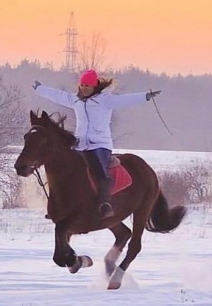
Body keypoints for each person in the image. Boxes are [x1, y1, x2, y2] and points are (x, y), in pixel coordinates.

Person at [32, 69, 161, 218]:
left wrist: (145, 96)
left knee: (98, 169)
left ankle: (104, 203)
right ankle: (63, 206)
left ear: (95, 86)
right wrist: (40, 89)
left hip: (100, 144)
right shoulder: (75, 100)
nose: (84, 88)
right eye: (82, 85)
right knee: (68, 169)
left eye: (87, 85)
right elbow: (58, 96)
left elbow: (125, 100)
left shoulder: (105, 100)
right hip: (80, 144)